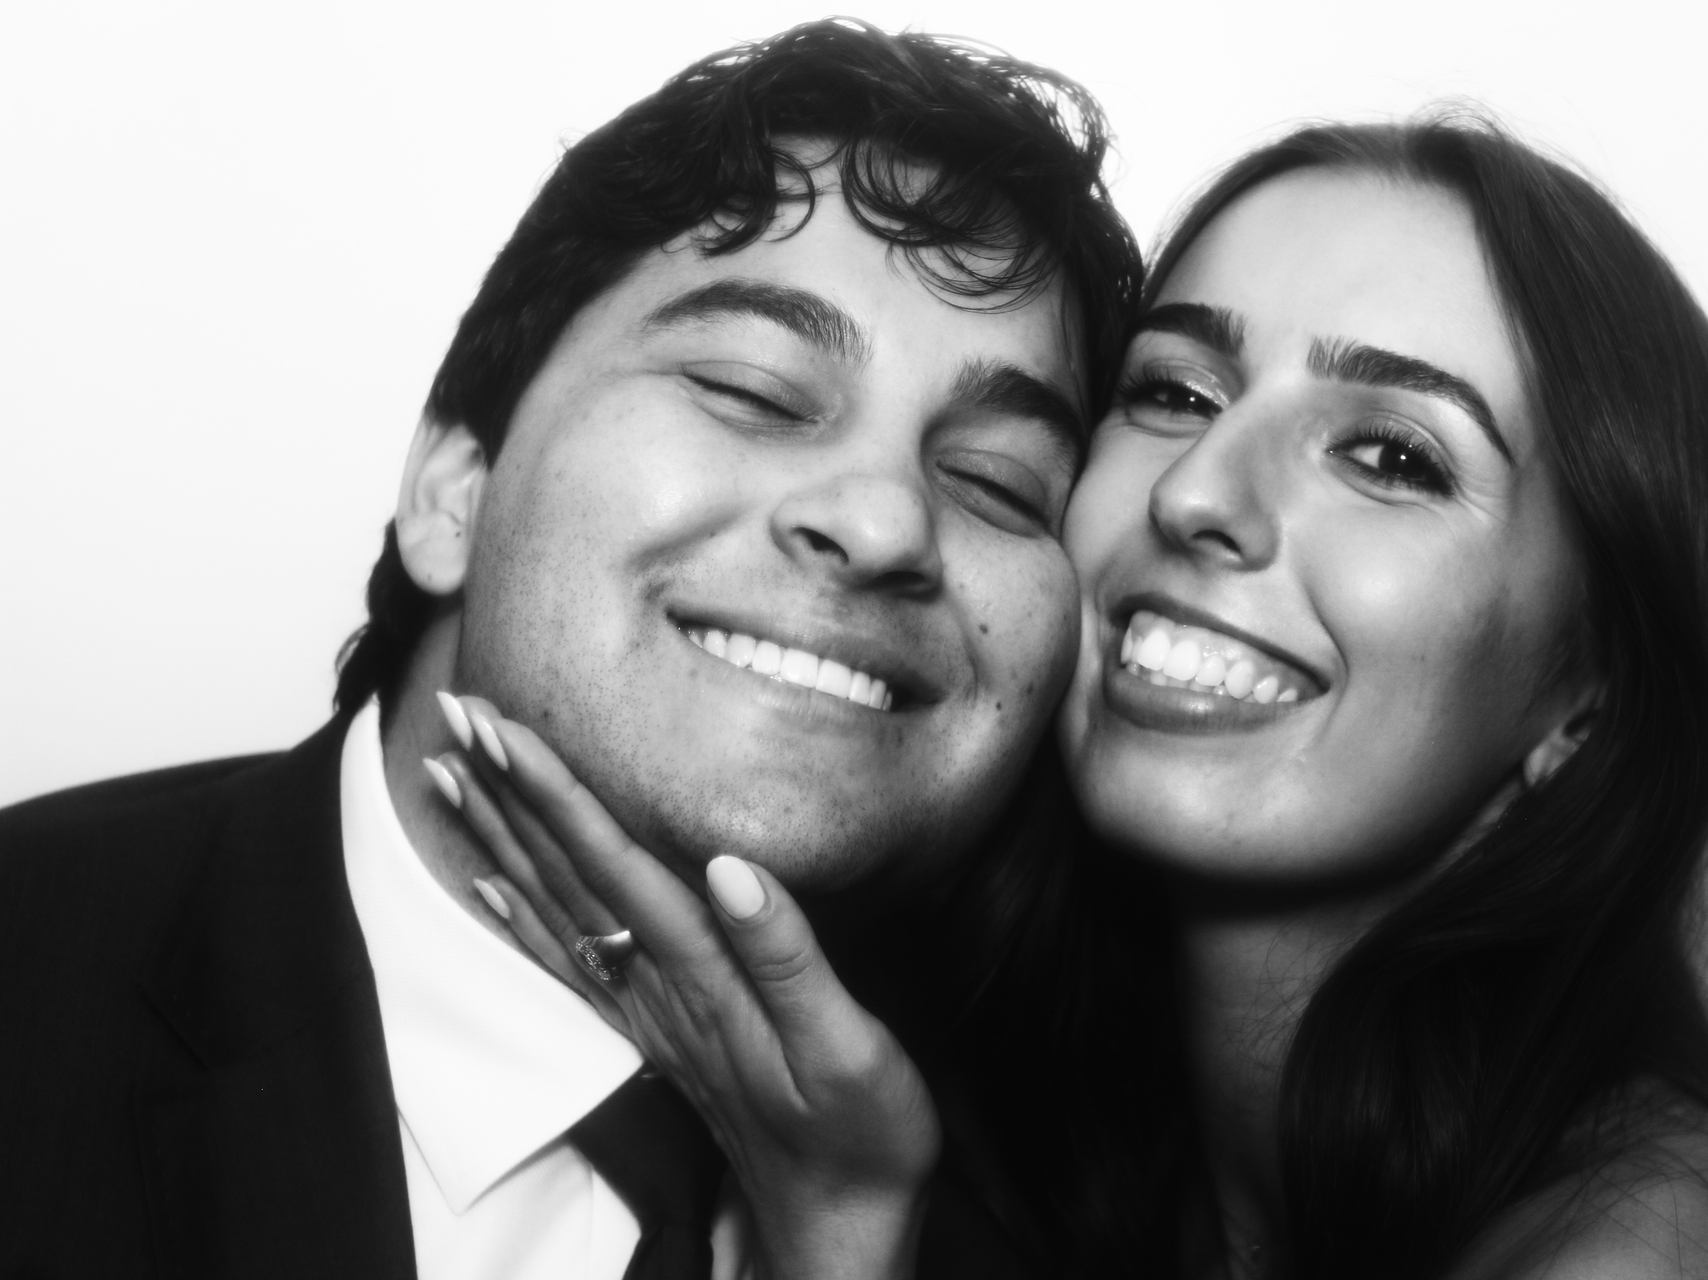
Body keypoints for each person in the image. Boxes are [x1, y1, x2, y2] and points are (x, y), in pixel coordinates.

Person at [459, 116, 1708, 1278]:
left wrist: (832, 1244)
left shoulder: (1655, 1260)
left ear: (1590, 699)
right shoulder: (1063, 1148)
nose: (1197, 493)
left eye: (1390, 458)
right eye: (1178, 391)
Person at [0, 19, 1139, 1280]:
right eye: (753, 391)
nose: (881, 522)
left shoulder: (1086, 1207)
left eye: (997, 479)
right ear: (453, 491)